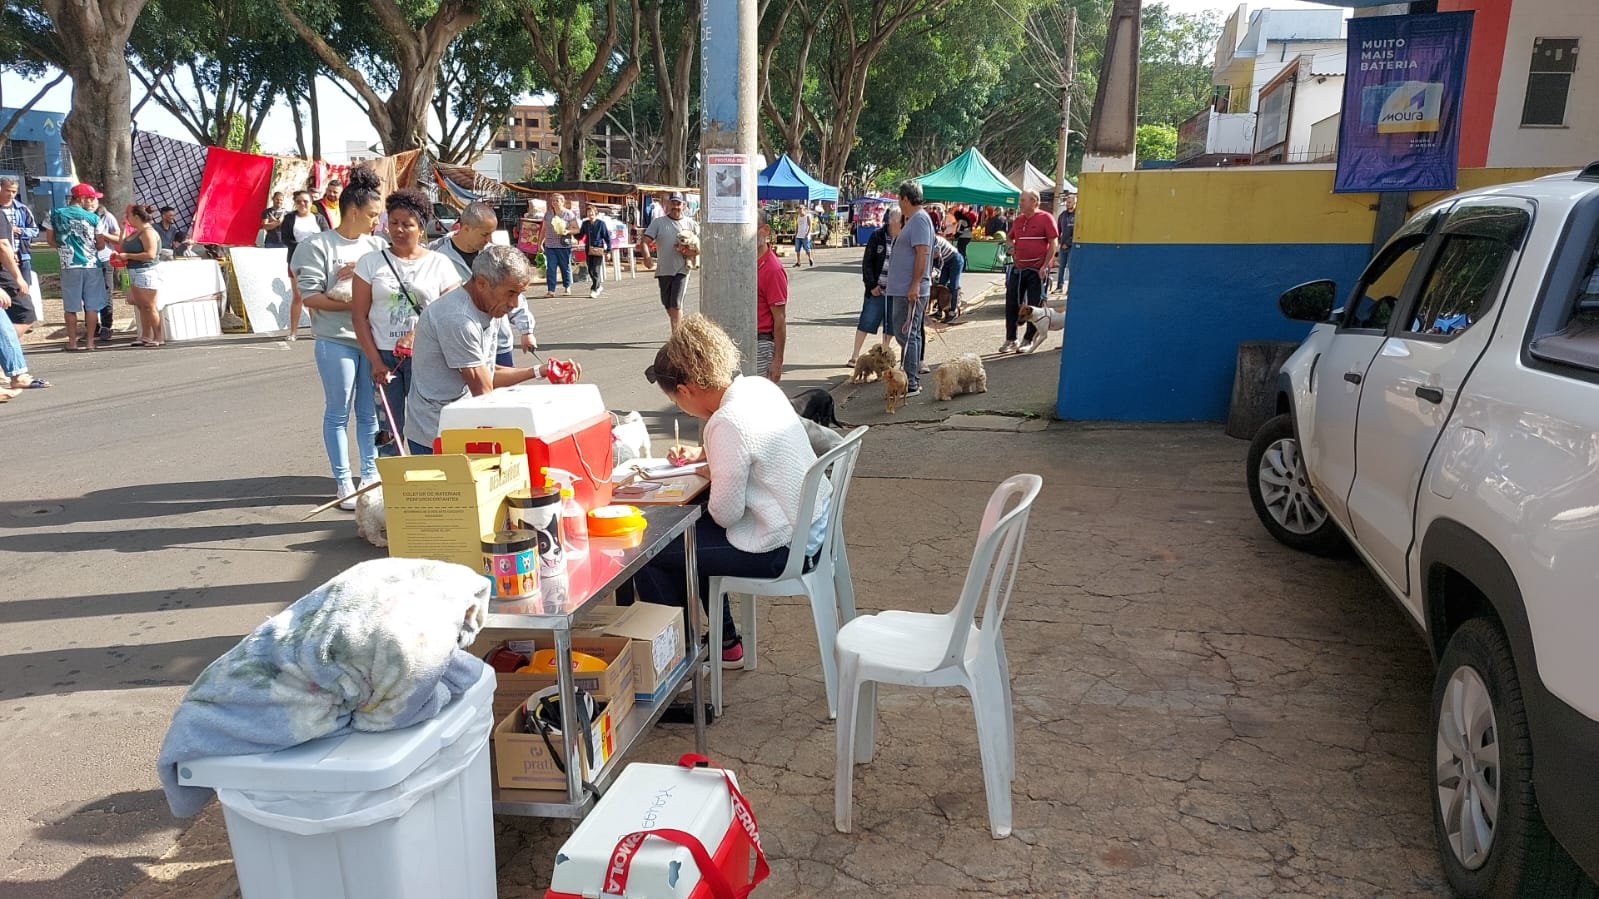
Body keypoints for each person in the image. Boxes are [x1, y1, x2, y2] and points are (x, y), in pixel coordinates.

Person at [634, 314, 830, 668]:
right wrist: (708, 460)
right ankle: (724, 644)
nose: (682, 408)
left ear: (686, 390)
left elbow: (726, 514)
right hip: (811, 528)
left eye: (677, 402)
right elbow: (754, 453)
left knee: (655, 549)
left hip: (782, 545)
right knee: (690, 539)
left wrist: (714, 467)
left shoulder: (726, 421)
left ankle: (674, 662)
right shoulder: (757, 387)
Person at [404, 246, 573, 455]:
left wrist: (541, 371)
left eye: (519, 294)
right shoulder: (459, 319)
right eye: (510, 293)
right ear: (482, 283)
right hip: (437, 436)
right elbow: (484, 391)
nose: (514, 303)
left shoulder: (487, 307)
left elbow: (487, 372)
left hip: (459, 426)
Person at [291, 165, 387, 509]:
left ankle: (371, 476)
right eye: (372, 215)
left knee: (369, 414)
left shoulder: (377, 246)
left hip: (371, 342)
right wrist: (350, 297)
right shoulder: (317, 246)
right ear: (354, 211)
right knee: (338, 411)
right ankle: (344, 481)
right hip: (336, 342)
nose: (376, 222)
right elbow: (310, 297)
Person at [352, 188, 462, 456]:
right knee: (389, 427)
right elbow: (359, 316)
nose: (398, 230)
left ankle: (429, 480)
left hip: (429, 359)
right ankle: (393, 483)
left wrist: (415, 335)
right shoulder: (370, 263)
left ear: (421, 229)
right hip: (385, 358)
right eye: (393, 223)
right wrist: (375, 360)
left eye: (407, 224)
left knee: (427, 425)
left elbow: (449, 312)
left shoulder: (440, 264)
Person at [430, 201, 536, 368]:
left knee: (503, 392)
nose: (489, 239)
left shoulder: (496, 256)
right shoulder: (437, 257)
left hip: (498, 343)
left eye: (491, 234)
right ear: (465, 229)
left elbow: (515, 293)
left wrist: (526, 330)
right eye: (484, 234)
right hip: (459, 342)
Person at [45, 183, 110, 351]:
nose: (92, 201)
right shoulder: (94, 218)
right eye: (90, 198)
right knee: (92, 305)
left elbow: (51, 241)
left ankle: (72, 342)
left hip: (68, 265)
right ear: (81, 199)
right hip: (91, 265)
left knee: (71, 307)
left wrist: (65, 247)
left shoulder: (54, 214)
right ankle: (90, 342)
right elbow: (101, 245)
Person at [883, 180, 933, 396]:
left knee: (907, 334)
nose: (899, 203)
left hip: (909, 289)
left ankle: (911, 381)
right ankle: (911, 377)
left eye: (899, 199)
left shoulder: (920, 220)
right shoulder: (914, 220)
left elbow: (922, 253)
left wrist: (914, 284)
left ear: (905, 198)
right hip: (903, 288)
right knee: (909, 333)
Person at [1002, 189, 1059, 354]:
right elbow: (1008, 237)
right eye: (1020, 200)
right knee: (1012, 303)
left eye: (1023, 200)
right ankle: (1011, 339)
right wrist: (1011, 246)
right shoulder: (1018, 220)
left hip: (1036, 271)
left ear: (1034, 201)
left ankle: (1028, 339)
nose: (1020, 203)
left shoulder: (1046, 218)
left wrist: (1045, 265)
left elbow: (1053, 243)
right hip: (1018, 269)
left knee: (1034, 307)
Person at [641, 192, 698, 331]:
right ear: (668, 204)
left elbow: (700, 246)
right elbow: (645, 241)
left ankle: (676, 336)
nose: (675, 206)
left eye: (678, 203)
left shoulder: (691, 224)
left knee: (676, 304)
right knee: (667, 304)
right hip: (663, 269)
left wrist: (688, 251)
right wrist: (647, 257)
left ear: (683, 205)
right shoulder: (658, 223)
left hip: (682, 269)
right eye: (673, 203)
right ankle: (680, 328)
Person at [848, 207, 896, 366]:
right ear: (890, 221)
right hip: (877, 288)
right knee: (866, 321)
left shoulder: (904, 238)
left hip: (895, 291)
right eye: (899, 221)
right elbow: (867, 263)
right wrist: (871, 285)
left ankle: (884, 355)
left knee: (890, 325)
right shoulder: (877, 236)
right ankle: (855, 355)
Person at [112, 204, 164, 347]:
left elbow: (150, 254)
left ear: (136, 216)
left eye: (128, 215)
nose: (126, 218)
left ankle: (158, 336)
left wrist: (127, 255)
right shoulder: (136, 232)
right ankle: (146, 335)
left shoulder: (148, 232)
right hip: (135, 271)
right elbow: (123, 245)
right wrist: (122, 231)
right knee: (142, 306)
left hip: (146, 271)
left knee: (149, 305)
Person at [755, 215, 787, 381]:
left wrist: (777, 361)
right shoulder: (743, 262)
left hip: (761, 344)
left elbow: (779, 319)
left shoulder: (772, 269)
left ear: (765, 230)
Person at [0, 176, 39, 283]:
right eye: (8, 190)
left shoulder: (22, 209)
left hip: (22, 255)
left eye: (14, 191)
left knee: (25, 288)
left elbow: (35, 231)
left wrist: (20, 231)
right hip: (3, 257)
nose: (11, 194)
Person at [541, 192, 579, 297]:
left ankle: (567, 287)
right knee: (551, 268)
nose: (554, 202)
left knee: (565, 267)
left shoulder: (568, 214)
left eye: (556, 200)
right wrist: (540, 243)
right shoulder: (548, 214)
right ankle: (551, 290)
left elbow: (576, 229)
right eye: (553, 200)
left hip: (563, 245)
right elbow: (543, 229)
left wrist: (567, 231)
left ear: (562, 202)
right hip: (550, 245)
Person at [93, 197, 120, 342]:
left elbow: (118, 237)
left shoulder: (107, 216)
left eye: (94, 200)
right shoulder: (81, 216)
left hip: (104, 259)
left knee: (106, 292)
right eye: (87, 199)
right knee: (88, 294)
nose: (90, 203)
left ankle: (106, 326)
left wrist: (102, 235)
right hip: (87, 261)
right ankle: (92, 326)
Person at [577, 203, 612, 298]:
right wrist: (570, 232)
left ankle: (594, 289)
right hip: (588, 249)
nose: (590, 214)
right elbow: (580, 235)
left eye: (592, 212)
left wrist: (608, 251)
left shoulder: (601, 224)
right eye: (588, 213)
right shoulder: (585, 224)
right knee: (590, 269)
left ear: (596, 213)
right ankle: (598, 285)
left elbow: (607, 238)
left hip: (598, 249)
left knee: (596, 270)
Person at [932, 232, 965, 324]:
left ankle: (952, 311)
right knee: (941, 285)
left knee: (953, 285)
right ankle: (939, 311)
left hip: (955, 259)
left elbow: (936, 255)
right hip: (946, 261)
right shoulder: (928, 240)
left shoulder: (935, 240)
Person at [1054, 191, 1077, 294]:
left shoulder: (1078, 215)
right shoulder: (1062, 215)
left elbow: (1077, 232)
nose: (1068, 204)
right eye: (1067, 202)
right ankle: (1059, 287)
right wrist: (1058, 242)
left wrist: (1068, 243)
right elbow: (1058, 230)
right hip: (1062, 246)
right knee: (1061, 266)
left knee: (1071, 267)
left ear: (1075, 203)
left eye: (1070, 202)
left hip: (1073, 246)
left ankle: (1070, 288)